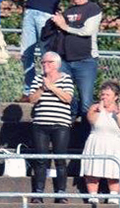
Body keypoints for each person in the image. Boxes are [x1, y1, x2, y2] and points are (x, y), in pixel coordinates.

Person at [51, 0, 103, 117]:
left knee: (86, 101)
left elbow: (87, 31)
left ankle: (85, 134)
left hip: (85, 60)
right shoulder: (68, 11)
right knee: (64, 97)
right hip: (65, 61)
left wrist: (65, 26)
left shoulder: (93, 9)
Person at [28, 51, 75, 204]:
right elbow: (32, 99)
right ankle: (38, 192)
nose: (45, 65)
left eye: (48, 62)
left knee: (60, 159)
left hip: (60, 125)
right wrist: (42, 88)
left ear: (56, 64)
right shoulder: (37, 79)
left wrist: (51, 87)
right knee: (41, 159)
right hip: (41, 125)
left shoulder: (66, 79)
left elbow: (67, 98)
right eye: (43, 62)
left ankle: (61, 192)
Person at [81, 80, 120, 205]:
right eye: (103, 94)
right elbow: (92, 121)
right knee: (92, 170)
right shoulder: (94, 108)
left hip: (113, 143)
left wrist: (117, 114)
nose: (104, 97)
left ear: (116, 96)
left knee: (113, 170)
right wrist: (99, 111)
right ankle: (93, 195)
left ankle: (113, 195)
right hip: (96, 140)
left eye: (107, 95)